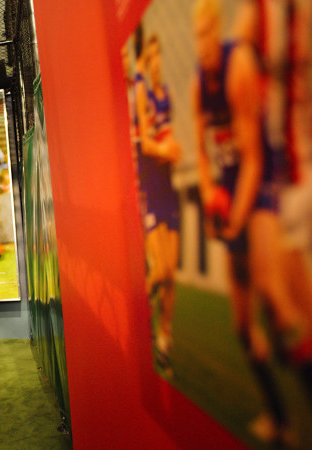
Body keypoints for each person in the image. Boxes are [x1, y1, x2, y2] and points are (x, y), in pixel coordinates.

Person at [192, 0, 312, 443]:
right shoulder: (202, 82)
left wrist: (235, 217)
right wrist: (211, 191)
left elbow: (253, 157)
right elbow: (201, 152)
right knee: (244, 324)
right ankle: (281, 418)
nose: (201, 44)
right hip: (235, 196)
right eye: (195, 36)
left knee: (278, 299)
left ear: (218, 31)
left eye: (206, 33)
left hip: (263, 192)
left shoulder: (237, 67)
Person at [134, 33, 182, 371]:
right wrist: (166, 149)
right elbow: (146, 145)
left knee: (171, 275)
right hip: (150, 188)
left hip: (170, 189)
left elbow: (167, 137)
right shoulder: (141, 91)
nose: (156, 63)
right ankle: (138, 319)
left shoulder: (169, 96)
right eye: (151, 57)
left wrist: (173, 148)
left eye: (159, 56)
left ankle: (164, 336)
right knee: (161, 269)